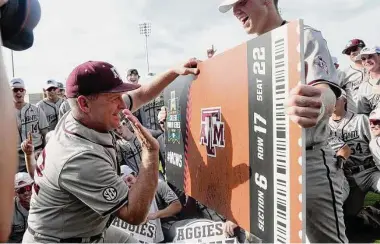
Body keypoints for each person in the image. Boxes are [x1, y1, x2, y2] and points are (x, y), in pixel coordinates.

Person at [23, 59, 200, 243]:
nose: (122, 105)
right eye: (113, 98)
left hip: (83, 229)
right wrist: (150, 155)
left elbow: (139, 95)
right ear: (84, 104)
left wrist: (172, 72)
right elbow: (134, 215)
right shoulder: (79, 156)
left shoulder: (82, 115)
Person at [218, 0, 346, 242]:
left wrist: (316, 104)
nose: (235, 11)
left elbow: (326, 90)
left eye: (242, 2)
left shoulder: (303, 36)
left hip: (307, 160)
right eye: (232, 6)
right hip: (259, 166)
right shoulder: (242, 55)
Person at [328, 89, 374, 216]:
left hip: (370, 171)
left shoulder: (360, 120)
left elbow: (376, 143)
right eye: (330, 98)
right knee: (351, 217)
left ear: (345, 101)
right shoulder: (325, 127)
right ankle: (372, 212)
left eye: (337, 98)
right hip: (348, 178)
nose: (333, 101)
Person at [11, 78, 49, 172]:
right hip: (15, 158)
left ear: (25, 92)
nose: (19, 92)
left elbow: (45, 135)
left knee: (38, 183)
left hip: (36, 153)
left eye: (21, 90)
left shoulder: (36, 109)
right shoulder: (4, 113)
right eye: (15, 90)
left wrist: (44, 152)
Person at [126, 68, 164, 138]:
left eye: (135, 75)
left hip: (159, 132)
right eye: (130, 75)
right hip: (144, 132)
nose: (133, 77)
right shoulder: (128, 95)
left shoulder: (161, 95)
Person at [339, 39, 367, 114]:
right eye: (348, 52)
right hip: (355, 118)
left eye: (354, 49)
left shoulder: (375, 68)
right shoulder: (344, 73)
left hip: (375, 118)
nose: (352, 53)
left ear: (363, 48)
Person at [8, 173, 34, 243]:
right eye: (21, 190)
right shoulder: (8, 210)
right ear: (16, 193)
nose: (26, 193)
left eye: (28, 188)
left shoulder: (44, 203)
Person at [356, 46, 380, 115]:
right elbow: (363, 114)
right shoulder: (363, 87)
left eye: (370, 57)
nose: (367, 61)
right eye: (363, 59)